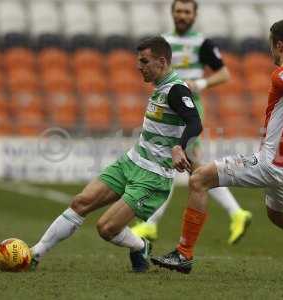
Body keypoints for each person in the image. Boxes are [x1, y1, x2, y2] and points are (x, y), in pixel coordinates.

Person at [151, 19, 283, 281]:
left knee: (199, 179)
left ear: (279, 45)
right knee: (279, 217)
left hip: (271, 162)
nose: (271, 51)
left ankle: (183, 253)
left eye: (271, 45)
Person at [29, 36, 203, 273]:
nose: (138, 66)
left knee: (106, 228)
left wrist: (178, 147)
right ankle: (34, 253)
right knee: (81, 202)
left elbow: (195, 123)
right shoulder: (161, 87)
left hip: (152, 177)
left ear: (162, 61)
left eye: (144, 61)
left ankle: (140, 245)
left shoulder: (176, 90)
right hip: (131, 161)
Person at [131, 0, 252, 245]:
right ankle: (236, 212)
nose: (182, 16)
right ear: (172, 13)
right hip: (167, 107)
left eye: (187, 12)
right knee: (193, 167)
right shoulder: (162, 42)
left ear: (195, 15)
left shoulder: (202, 43)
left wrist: (202, 83)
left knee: (174, 163)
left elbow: (224, 73)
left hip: (189, 110)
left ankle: (150, 224)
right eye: (178, 11)